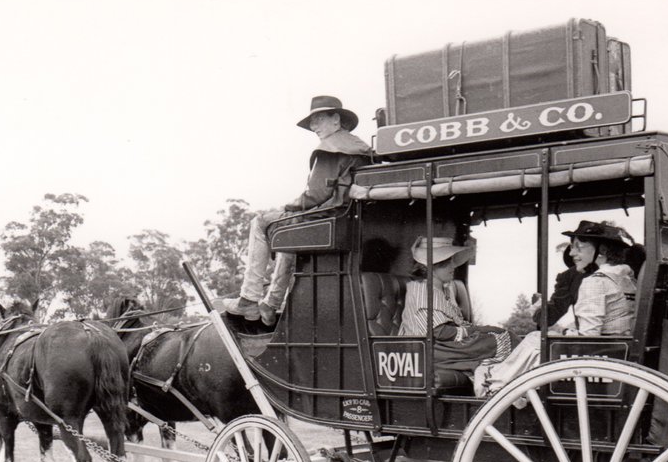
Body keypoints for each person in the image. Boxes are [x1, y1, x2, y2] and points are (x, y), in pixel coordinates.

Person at [215, 95, 372, 325]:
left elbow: (314, 195)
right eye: (312, 122)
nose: (313, 126)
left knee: (260, 222)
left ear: (336, 119)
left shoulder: (331, 148)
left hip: (327, 218)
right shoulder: (360, 147)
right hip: (343, 220)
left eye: (318, 119)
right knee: (289, 232)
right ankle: (271, 303)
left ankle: (249, 298)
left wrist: (288, 209)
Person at [474, 220, 637, 397]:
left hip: (598, 356)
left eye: (579, 247)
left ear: (602, 251)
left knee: (535, 339)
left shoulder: (595, 282)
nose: (572, 253)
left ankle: (497, 384)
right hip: (618, 351)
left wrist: (567, 333)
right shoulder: (626, 280)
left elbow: (589, 337)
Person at [399, 237, 513, 387]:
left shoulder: (444, 290)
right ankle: (492, 378)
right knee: (499, 340)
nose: (453, 266)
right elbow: (439, 331)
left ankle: (492, 376)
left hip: (442, 345)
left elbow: (453, 326)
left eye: (452, 260)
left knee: (503, 335)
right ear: (430, 267)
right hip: (426, 350)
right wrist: (478, 330)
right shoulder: (421, 290)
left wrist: (480, 331)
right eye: (447, 262)